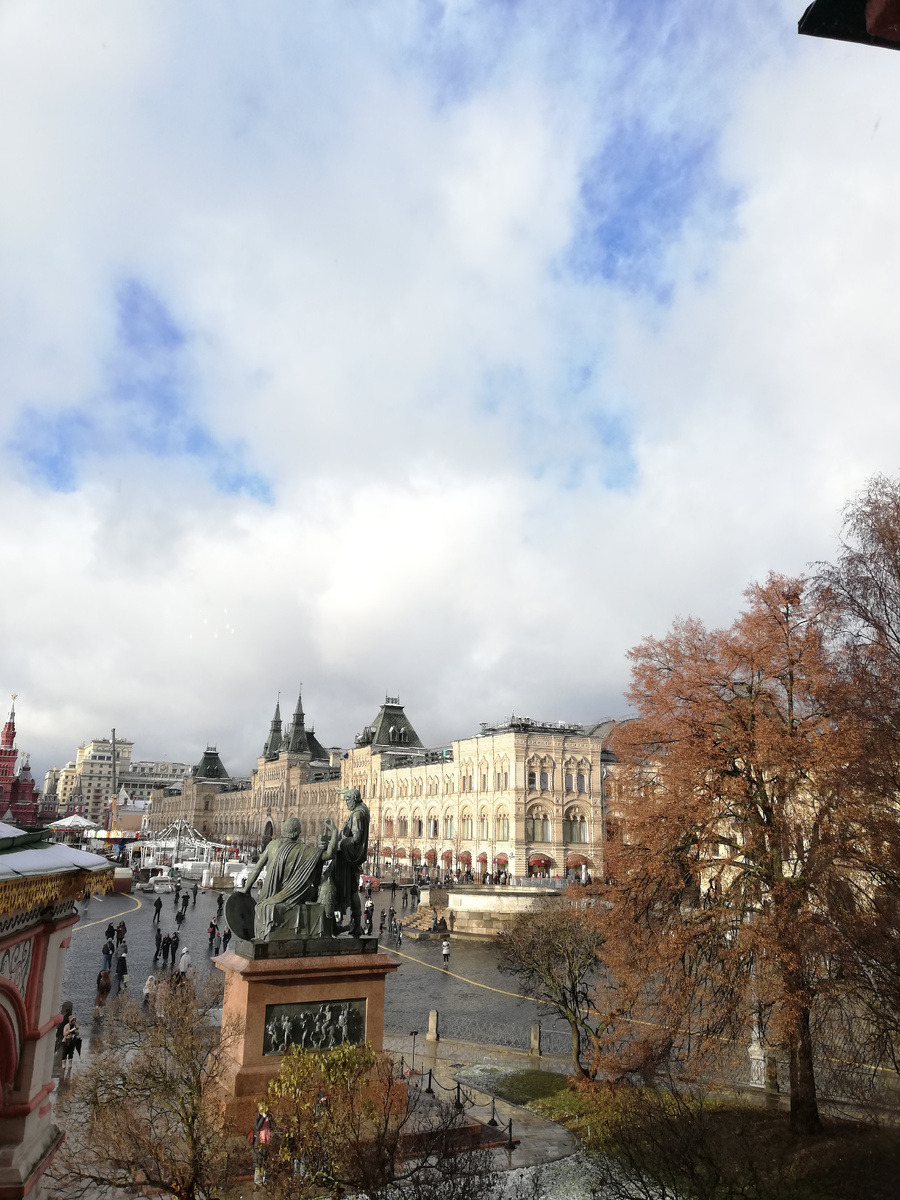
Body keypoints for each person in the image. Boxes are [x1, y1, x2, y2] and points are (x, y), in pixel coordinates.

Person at [243, 817, 323, 939]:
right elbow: (325, 855)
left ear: (284, 830)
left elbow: (257, 869)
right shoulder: (302, 849)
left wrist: (246, 889)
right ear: (297, 833)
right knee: (314, 893)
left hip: (268, 894)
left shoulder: (272, 845)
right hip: (291, 893)